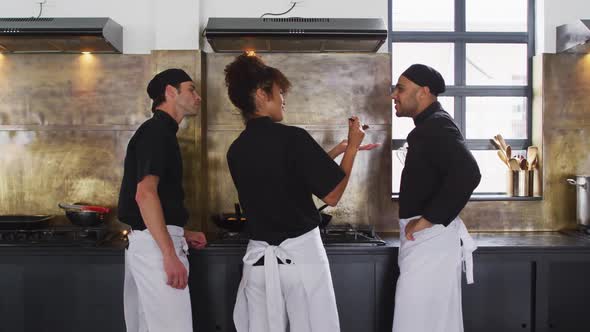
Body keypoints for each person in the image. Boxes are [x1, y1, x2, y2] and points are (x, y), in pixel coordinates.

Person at [224, 53, 371, 332]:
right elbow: (332, 195)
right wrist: (352, 147)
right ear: (262, 94)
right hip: (301, 261)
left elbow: (286, 176)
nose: (283, 100)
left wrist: (337, 151)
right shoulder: (293, 138)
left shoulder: (237, 149)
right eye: (279, 93)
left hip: (258, 267)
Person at [391, 64, 481, 332]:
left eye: (401, 88)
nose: (394, 95)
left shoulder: (436, 125)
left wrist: (429, 219)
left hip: (431, 239)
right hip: (429, 239)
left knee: (416, 320)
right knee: (431, 320)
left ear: (424, 92)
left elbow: (468, 173)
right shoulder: (430, 124)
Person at [117, 68, 207, 332]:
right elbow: (145, 194)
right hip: (156, 248)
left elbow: (152, 198)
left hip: (151, 242)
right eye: (191, 89)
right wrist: (169, 253)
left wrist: (182, 231)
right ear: (170, 92)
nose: (198, 96)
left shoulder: (159, 132)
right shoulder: (157, 132)